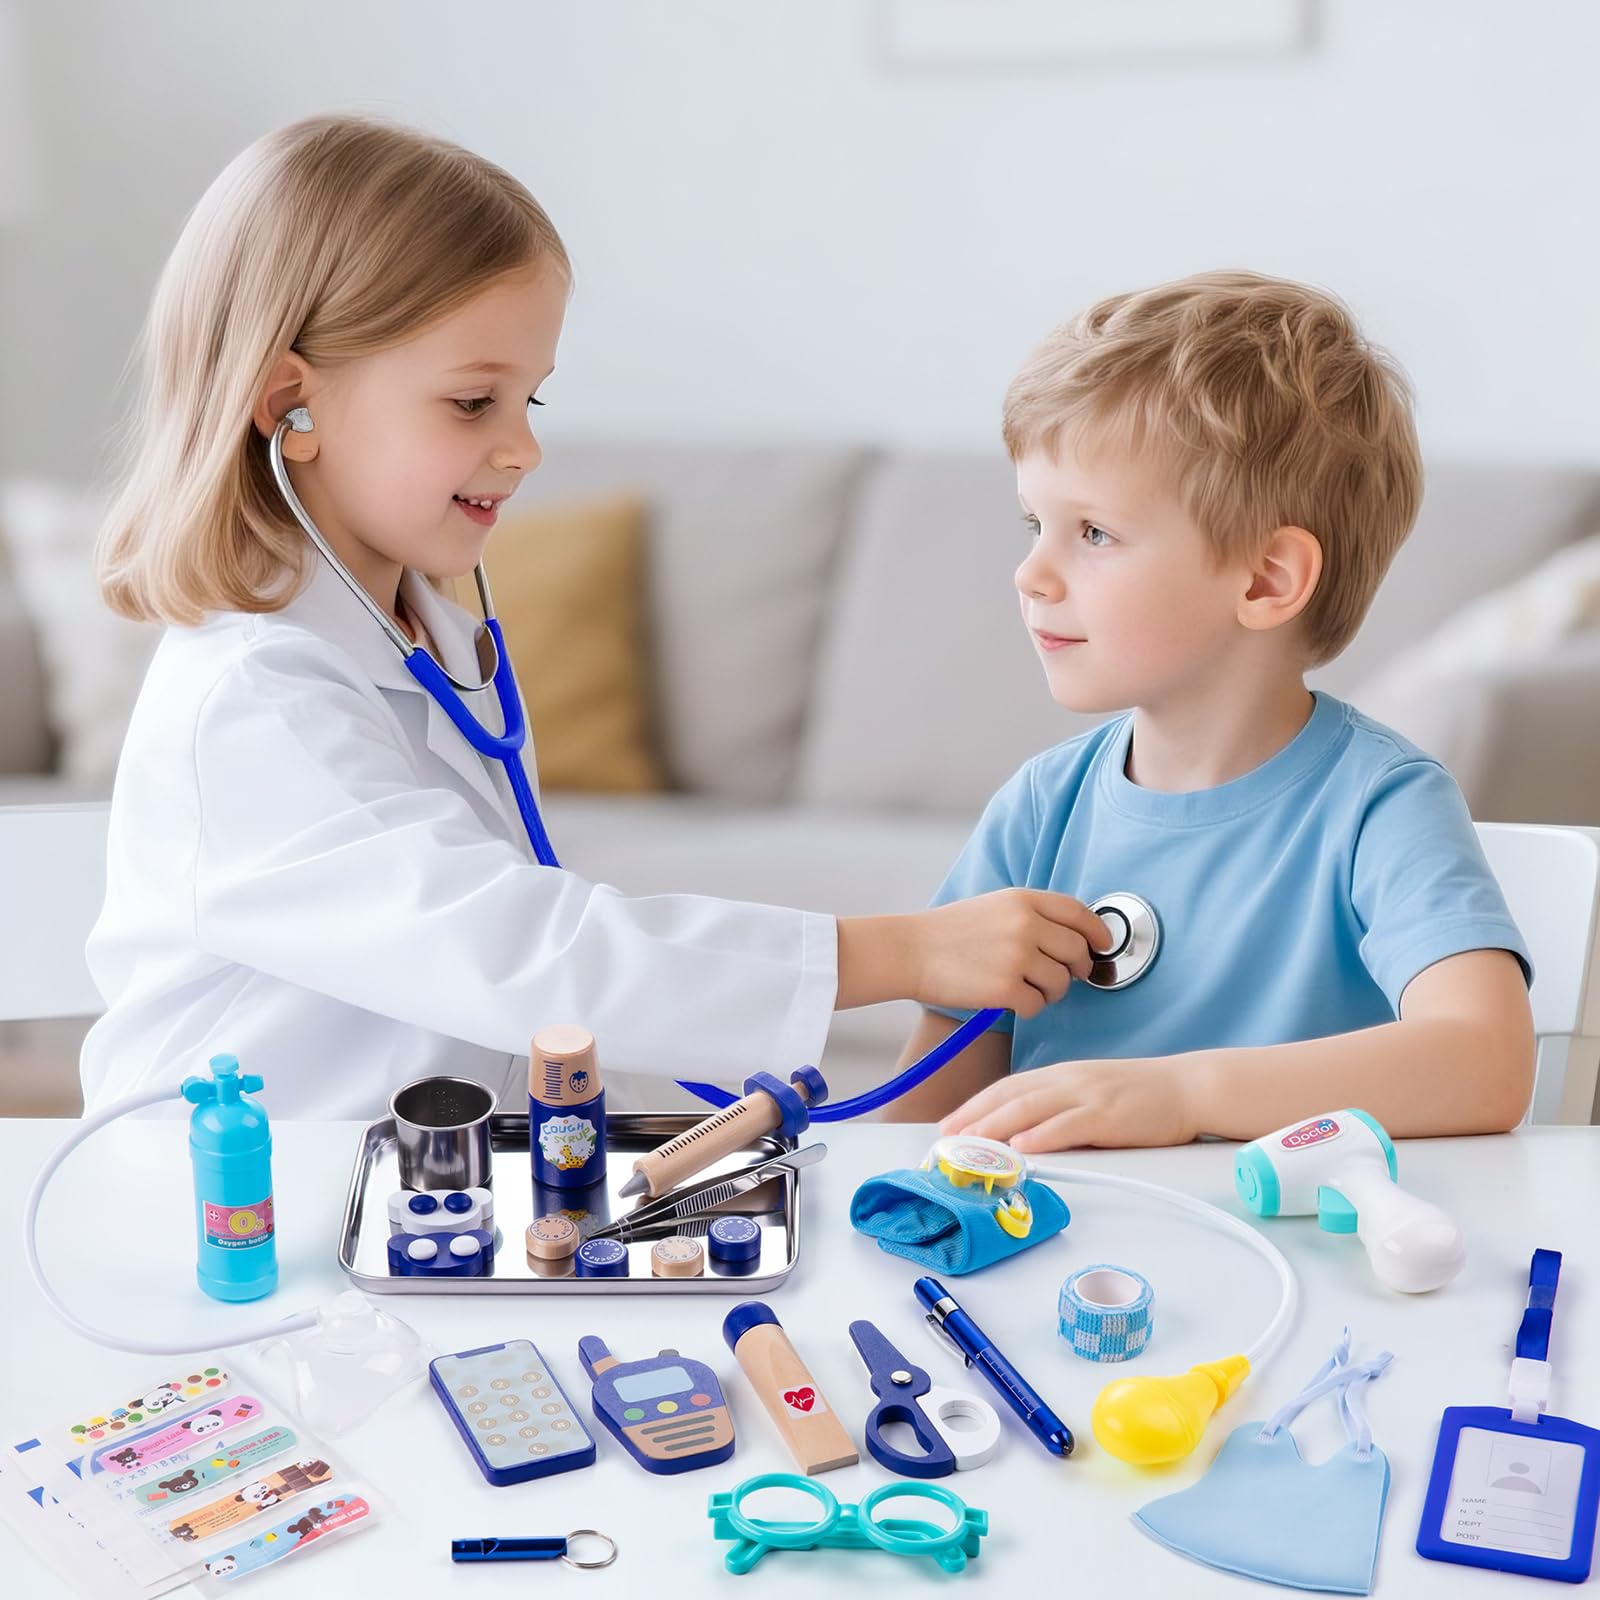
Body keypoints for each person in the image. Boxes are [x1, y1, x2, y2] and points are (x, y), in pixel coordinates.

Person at [79, 114, 1104, 1116]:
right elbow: (517, 952)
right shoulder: (255, 696)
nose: (522, 448)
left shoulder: (418, 637)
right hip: (223, 1219)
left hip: (403, 1196)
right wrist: (909, 950)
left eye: (533, 400)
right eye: (474, 402)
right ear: (287, 405)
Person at [888, 270, 1535, 1149]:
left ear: (1266, 579)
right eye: (1031, 523)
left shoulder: (1380, 804)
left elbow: (1484, 1061)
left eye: (1093, 533)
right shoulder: (1040, 809)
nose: (1030, 574)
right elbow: (922, 1124)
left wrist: (1183, 1095)